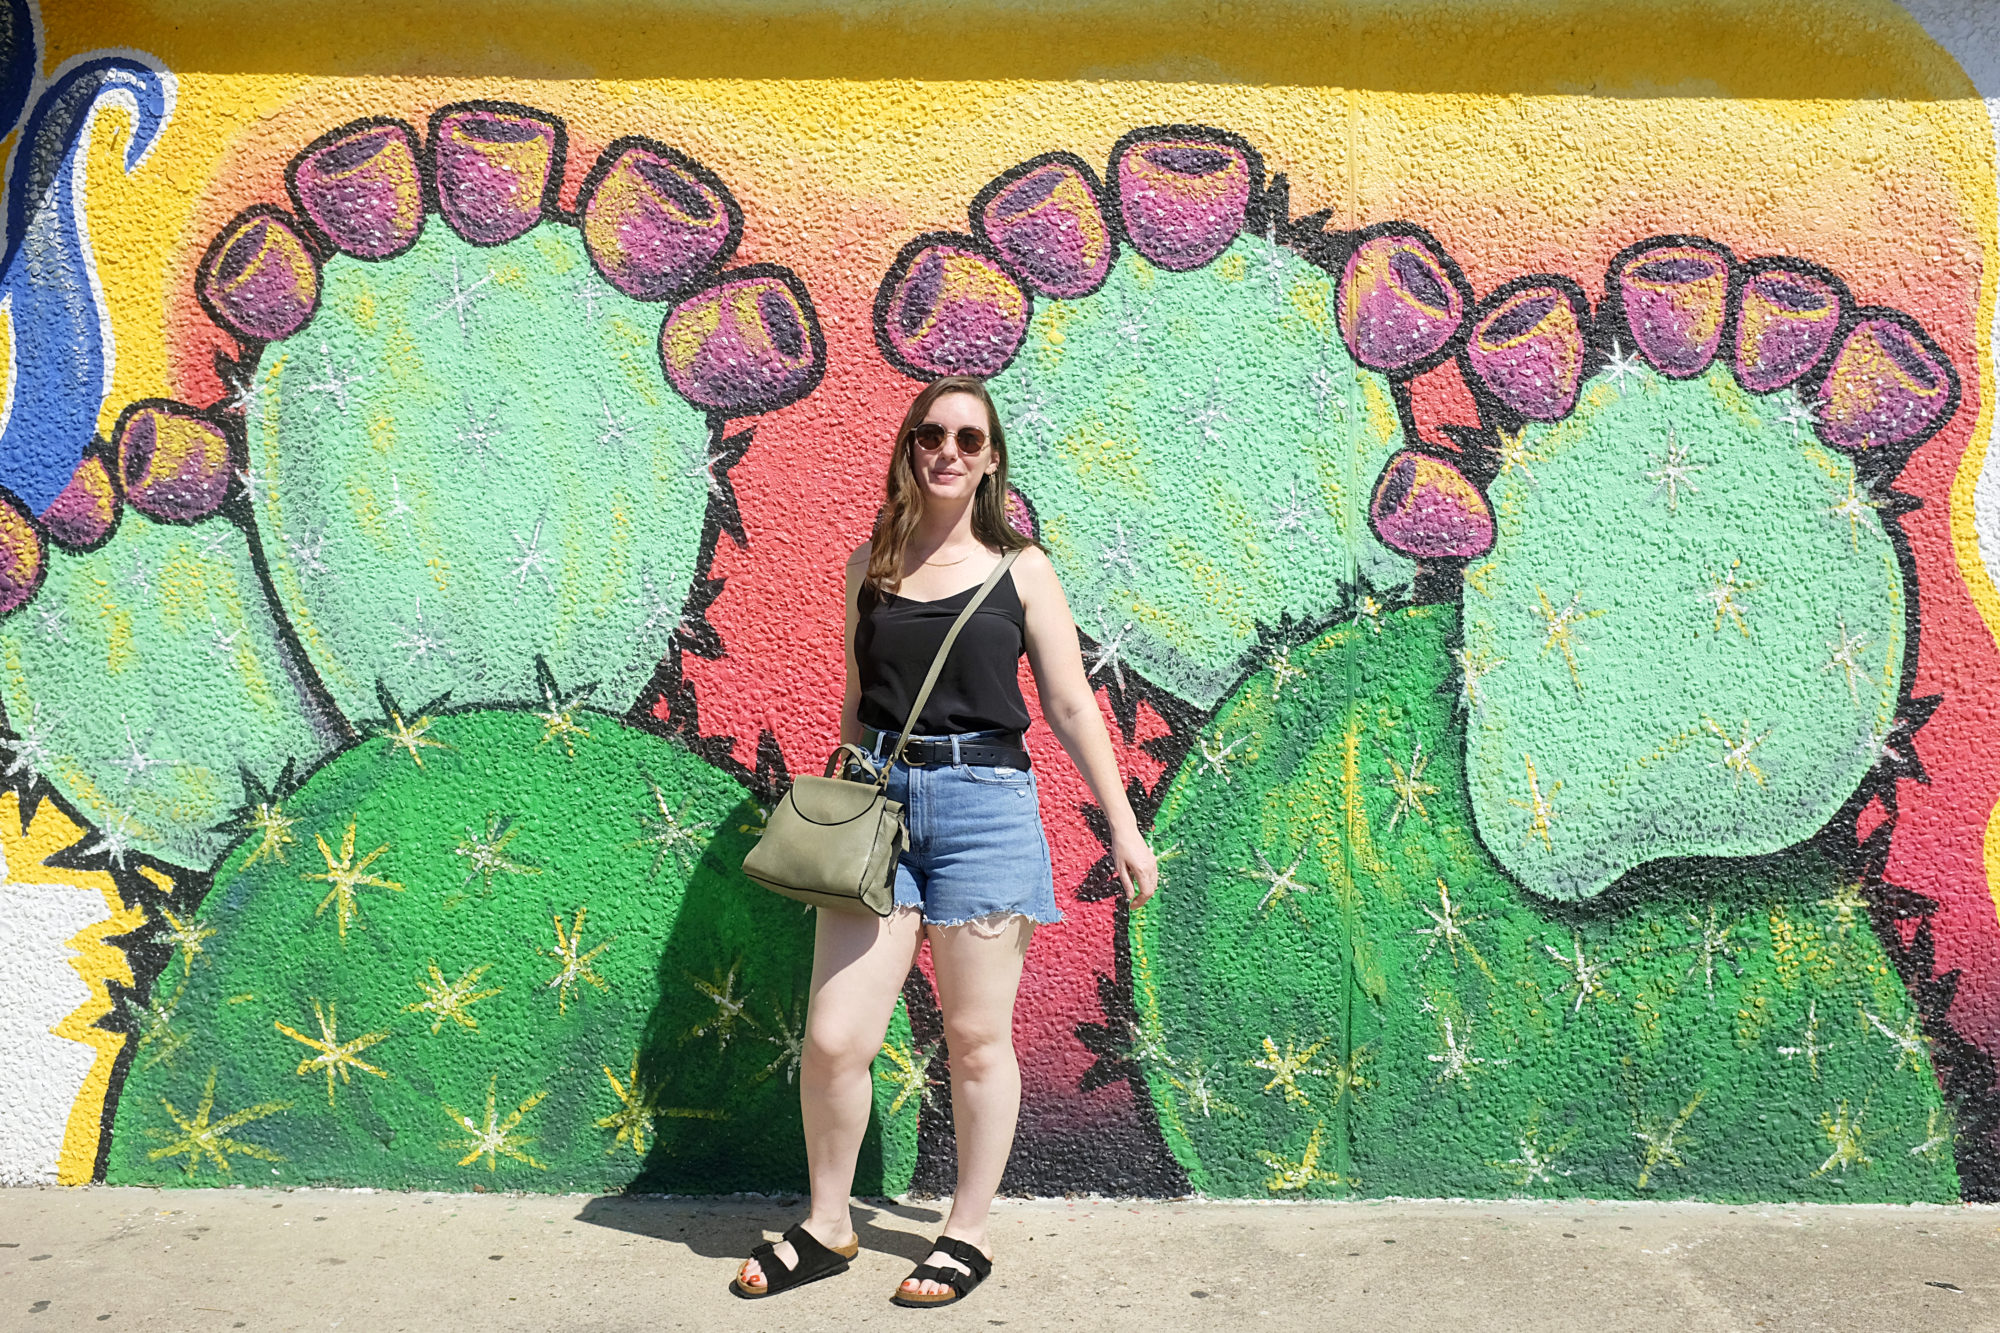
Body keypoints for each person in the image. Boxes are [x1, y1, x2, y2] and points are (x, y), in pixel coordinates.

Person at [732, 374, 1159, 1307]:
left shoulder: (1022, 570)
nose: (949, 452)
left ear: (991, 458)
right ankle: (830, 1223)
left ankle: (966, 1232)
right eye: (932, 434)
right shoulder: (868, 570)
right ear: (908, 446)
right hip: (879, 809)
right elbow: (854, 699)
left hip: (985, 808)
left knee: (973, 1038)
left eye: (970, 439)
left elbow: (1068, 702)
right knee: (837, 1038)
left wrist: (1122, 824)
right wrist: (838, 799)